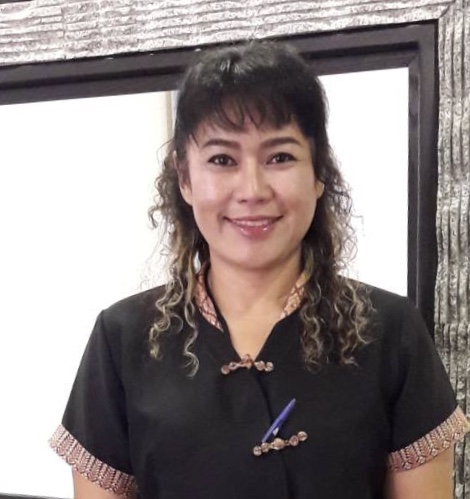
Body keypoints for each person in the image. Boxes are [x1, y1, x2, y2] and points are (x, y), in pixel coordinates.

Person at [50, 41, 469, 499]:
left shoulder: (391, 332)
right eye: (222, 160)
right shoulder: (122, 338)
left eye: (280, 157)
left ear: (318, 173)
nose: (252, 190)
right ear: (184, 178)